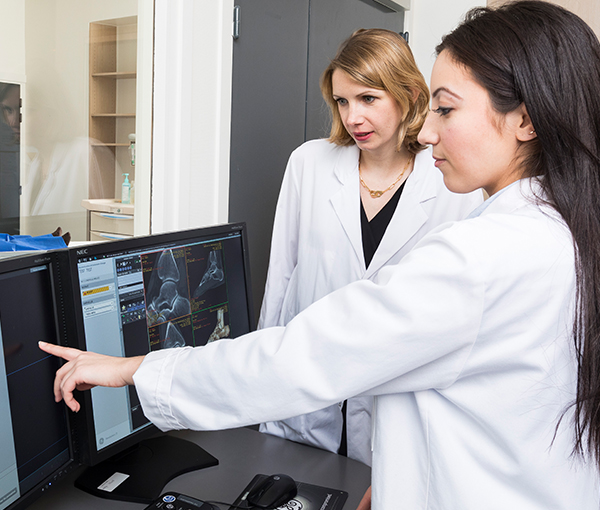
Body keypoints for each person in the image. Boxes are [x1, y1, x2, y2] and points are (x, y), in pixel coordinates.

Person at [41, 2, 600, 508]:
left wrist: (134, 369)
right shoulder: (561, 230)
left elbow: (307, 355)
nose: (428, 132)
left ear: (525, 119)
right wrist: (404, 479)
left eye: (446, 110)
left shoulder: (485, 255)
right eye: (343, 101)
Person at [258, 28, 482, 465]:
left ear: (409, 95)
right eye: (342, 101)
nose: (353, 118)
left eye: (368, 99)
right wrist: (263, 385)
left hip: (397, 407)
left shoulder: (452, 180)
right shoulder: (309, 162)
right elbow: (281, 279)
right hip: (303, 400)